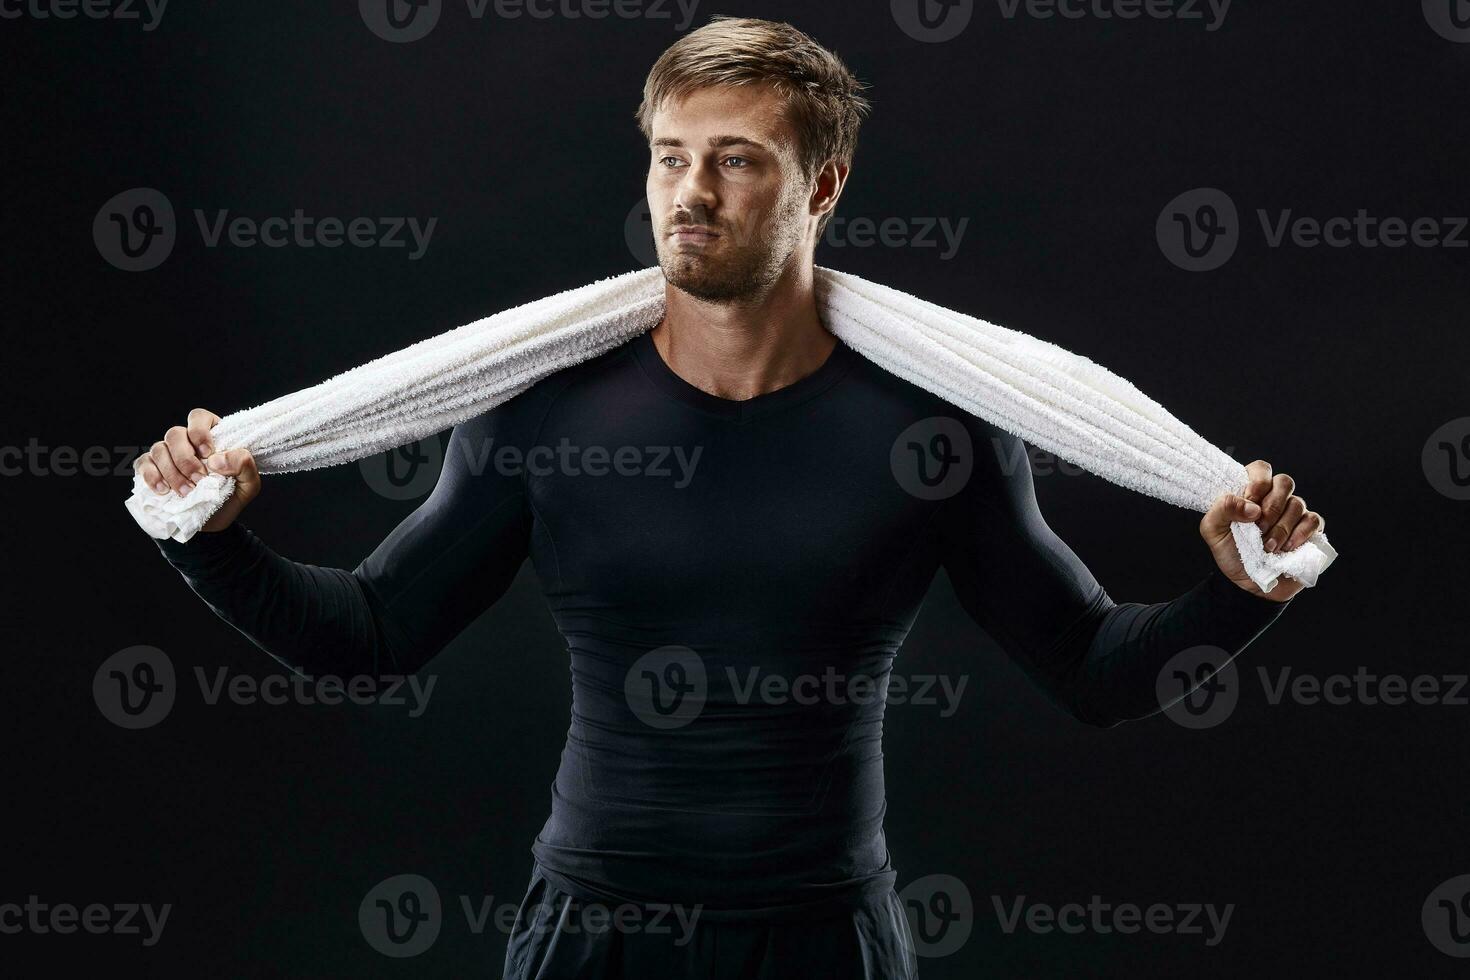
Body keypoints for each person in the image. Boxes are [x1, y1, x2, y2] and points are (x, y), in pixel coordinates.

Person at [135, 16, 1324, 979]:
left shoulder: (933, 430)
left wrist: (1238, 588)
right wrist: (211, 542)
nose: (690, 191)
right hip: (591, 931)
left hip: (828, 935)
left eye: (737, 158)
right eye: (670, 155)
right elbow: (373, 635)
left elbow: (1094, 668)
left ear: (824, 185)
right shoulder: (540, 411)